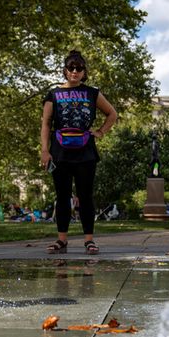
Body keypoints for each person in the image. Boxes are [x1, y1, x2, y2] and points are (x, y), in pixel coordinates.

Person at [40, 50, 117, 255]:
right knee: (62, 195)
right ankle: (62, 239)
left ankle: (89, 240)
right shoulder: (53, 94)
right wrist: (44, 150)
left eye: (79, 68)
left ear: (84, 72)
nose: (75, 71)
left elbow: (112, 114)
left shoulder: (92, 93)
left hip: (86, 151)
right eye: (71, 68)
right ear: (65, 71)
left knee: (85, 195)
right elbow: (46, 123)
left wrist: (100, 132)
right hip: (59, 151)